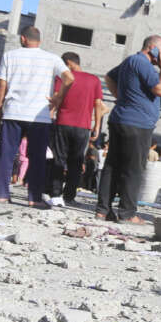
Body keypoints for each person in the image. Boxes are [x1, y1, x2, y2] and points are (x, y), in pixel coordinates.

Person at [0, 26, 75, 207]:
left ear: (23, 39)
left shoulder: (10, 56)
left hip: (13, 111)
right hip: (39, 116)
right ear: (40, 41)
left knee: (6, 155)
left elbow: (2, 85)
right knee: (37, 158)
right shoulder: (51, 58)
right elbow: (69, 78)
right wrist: (58, 98)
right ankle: (34, 198)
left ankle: (1, 195)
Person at [96, 36, 161, 222]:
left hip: (121, 119)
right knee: (133, 169)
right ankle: (127, 213)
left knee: (112, 166)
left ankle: (102, 210)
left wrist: (122, 98)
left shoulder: (131, 60)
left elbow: (109, 77)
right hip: (138, 124)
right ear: (152, 48)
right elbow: (160, 90)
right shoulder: (144, 64)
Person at [44, 52, 105, 207]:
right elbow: (98, 104)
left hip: (63, 123)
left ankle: (56, 194)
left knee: (59, 159)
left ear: (69, 63)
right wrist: (97, 126)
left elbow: (56, 96)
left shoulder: (63, 78)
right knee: (76, 162)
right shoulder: (94, 80)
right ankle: (69, 196)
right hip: (83, 127)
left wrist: (50, 111)